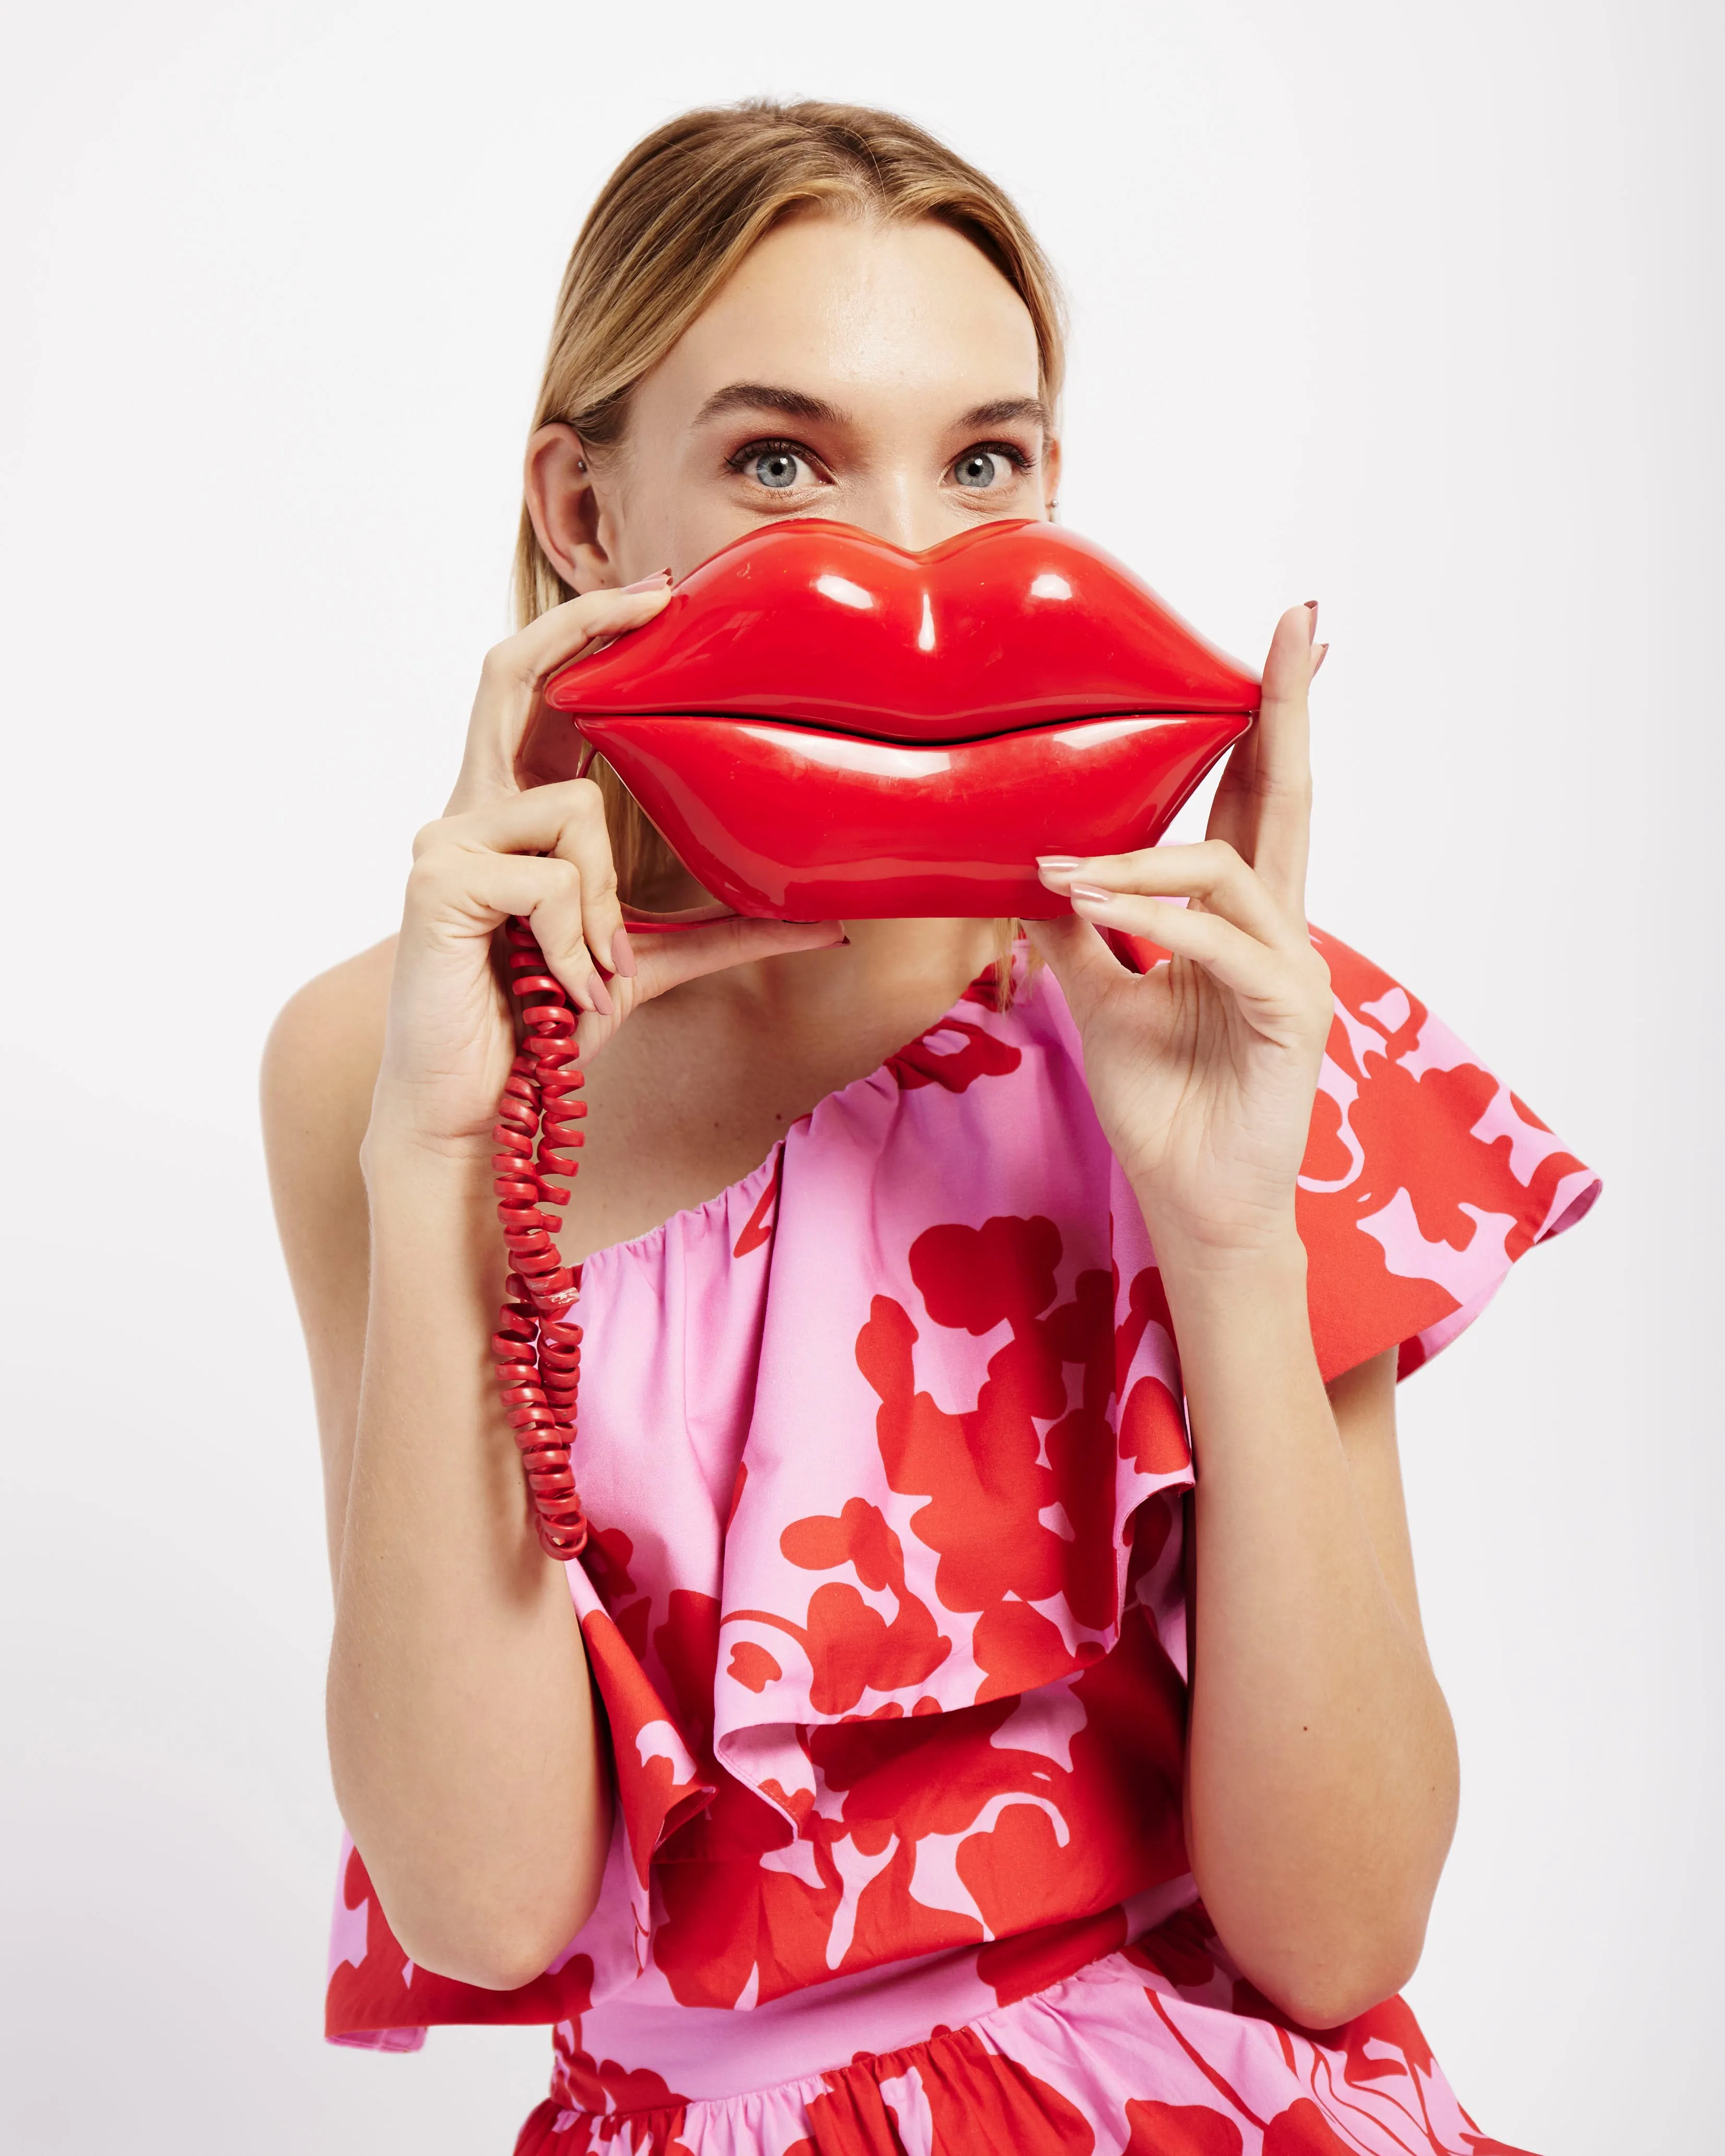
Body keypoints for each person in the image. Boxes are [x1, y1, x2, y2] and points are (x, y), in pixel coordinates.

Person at [262, 99, 1598, 2156]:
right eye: (780, 460)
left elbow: (1340, 1932)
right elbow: (480, 1893)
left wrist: (1231, 1228)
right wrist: (442, 1153)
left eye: (983, 462)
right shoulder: (386, 1060)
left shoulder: (1212, 1017)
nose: (905, 567)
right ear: (586, 513)